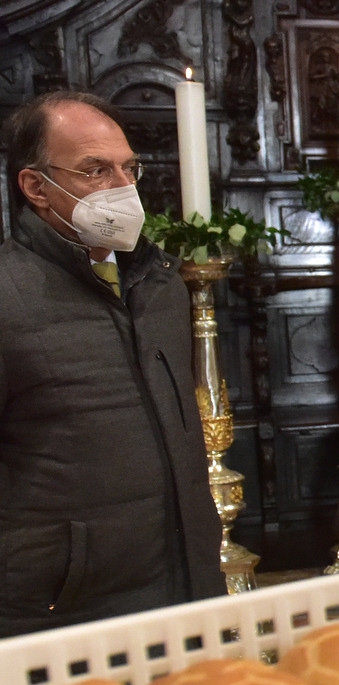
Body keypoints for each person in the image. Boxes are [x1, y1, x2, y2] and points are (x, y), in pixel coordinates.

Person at [0, 90, 224, 637]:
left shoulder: (161, 283)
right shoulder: (7, 294)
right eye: (95, 170)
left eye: (129, 168)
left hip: (183, 585)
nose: (122, 188)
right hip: (68, 608)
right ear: (36, 187)